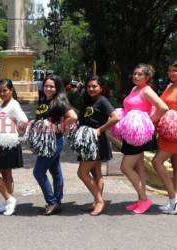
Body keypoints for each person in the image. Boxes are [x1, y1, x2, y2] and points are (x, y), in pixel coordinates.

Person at [120, 63, 168, 214]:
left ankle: (144, 200)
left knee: (125, 167)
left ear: (147, 77)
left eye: (140, 74)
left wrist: (149, 121)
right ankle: (141, 199)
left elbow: (163, 107)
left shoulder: (146, 90)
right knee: (138, 166)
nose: (136, 76)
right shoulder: (135, 88)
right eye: (134, 73)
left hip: (139, 134)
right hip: (131, 133)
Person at [33, 74, 77, 215]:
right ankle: (57, 201)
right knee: (55, 172)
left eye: (52, 86)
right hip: (45, 140)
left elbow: (73, 117)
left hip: (54, 141)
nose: (48, 88)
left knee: (38, 172)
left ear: (57, 87)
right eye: (46, 85)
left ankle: (52, 202)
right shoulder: (44, 99)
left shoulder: (59, 101)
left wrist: (57, 127)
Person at [77, 75, 120, 216]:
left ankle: (100, 201)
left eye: (94, 86)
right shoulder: (89, 101)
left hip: (96, 142)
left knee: (82, 173)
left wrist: (100, 130)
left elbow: (115, 117)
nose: (91, 89)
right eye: (89, 86)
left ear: (101, 88)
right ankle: (97, 201)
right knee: (96, 173)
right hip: (88, 142)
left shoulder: (102, 101)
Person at [0, 79, 28, 216]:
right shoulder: (3, 104)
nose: (2, 93)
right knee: (6, 173)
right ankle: (8, 201)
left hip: (7, 144)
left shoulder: (13, 104)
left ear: (11, 90)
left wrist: (13, 130)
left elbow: (24, 121)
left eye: (5, 90)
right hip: (1, 144)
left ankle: (10, 199)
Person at [152, 59, 177, 214]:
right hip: (167, 132)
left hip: (175, 132)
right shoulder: (169, 86)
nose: (170, 73)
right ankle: (175, 201)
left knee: (156, 161)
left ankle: (173, 199)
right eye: (169, 71)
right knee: (176, 166)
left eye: (174, 70)